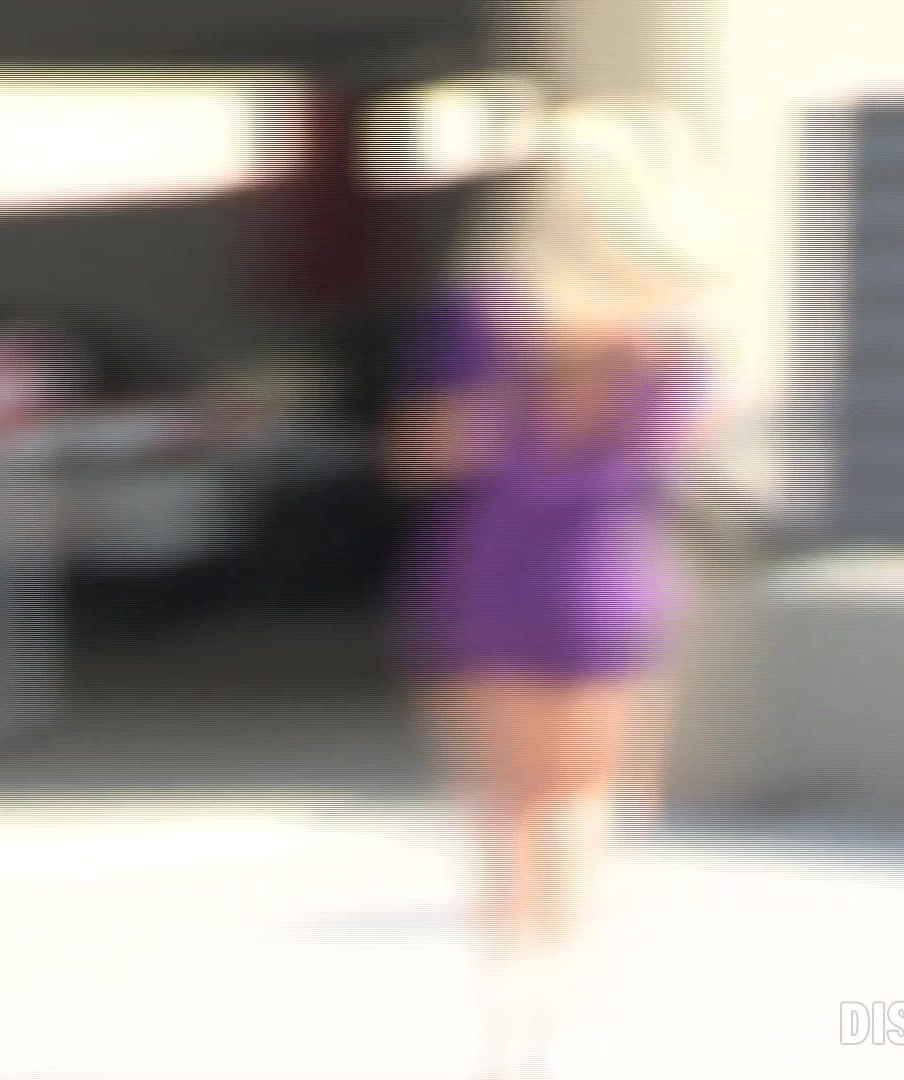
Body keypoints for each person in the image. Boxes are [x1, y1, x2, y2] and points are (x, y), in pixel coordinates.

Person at [385, 101, 722, 1079]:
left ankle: (514, 1029)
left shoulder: (477, 325)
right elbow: (671, 461)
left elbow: (425, 456)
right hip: (603, 588)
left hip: (487, 584)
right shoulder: (665, 345)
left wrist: (512, 389)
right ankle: (565, 1023)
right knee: (585, 811)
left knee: (507, 820)